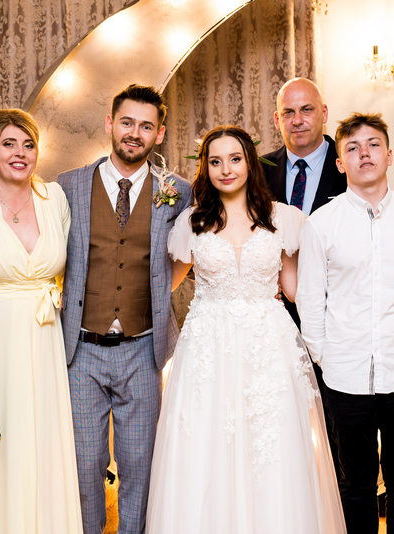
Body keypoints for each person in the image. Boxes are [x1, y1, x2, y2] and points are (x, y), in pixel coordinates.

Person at [146, 125, 346, 533]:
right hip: (207, 351)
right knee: (206, 444)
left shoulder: (284, 219)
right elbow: (161, 285)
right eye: (216, 161)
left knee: (270, 447)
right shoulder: (191, 223)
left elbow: (297, 291)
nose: (226, 169)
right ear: (205, 168)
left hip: (267, 348)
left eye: (235, 159)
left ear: (250, 162)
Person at [296, 113, 394, 534]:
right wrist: (330, 358)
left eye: (373, 144)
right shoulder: (321, 224)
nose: (364, 153)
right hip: (345, 378)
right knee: (356, 485)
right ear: (340, 162)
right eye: (352, 147)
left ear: (389, 155)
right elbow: (310, 300)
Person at [56, 84, 192, 534]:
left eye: (146, 126)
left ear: (160, 134)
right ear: (110, 124)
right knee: (84, 464)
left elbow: (190, 253)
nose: (135, 133)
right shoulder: (68, 186)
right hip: (81, 350)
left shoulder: (178, 191)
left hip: (143, 349)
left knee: (140, 465)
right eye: (127, 122)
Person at [0, 109, 83, 533]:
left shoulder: (55, 198)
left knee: (44, 437)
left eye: (28, 144)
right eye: (8, 144)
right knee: (0, 437)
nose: (20, 153)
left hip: (46, 335)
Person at [262, 77, 346, 325]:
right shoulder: (256, 171)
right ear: (277, 120)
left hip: (338, 312)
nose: (297, 120)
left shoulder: (350, 167)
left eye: (307, 109)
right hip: (273, 318)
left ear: (324, 113)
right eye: (288, 112)